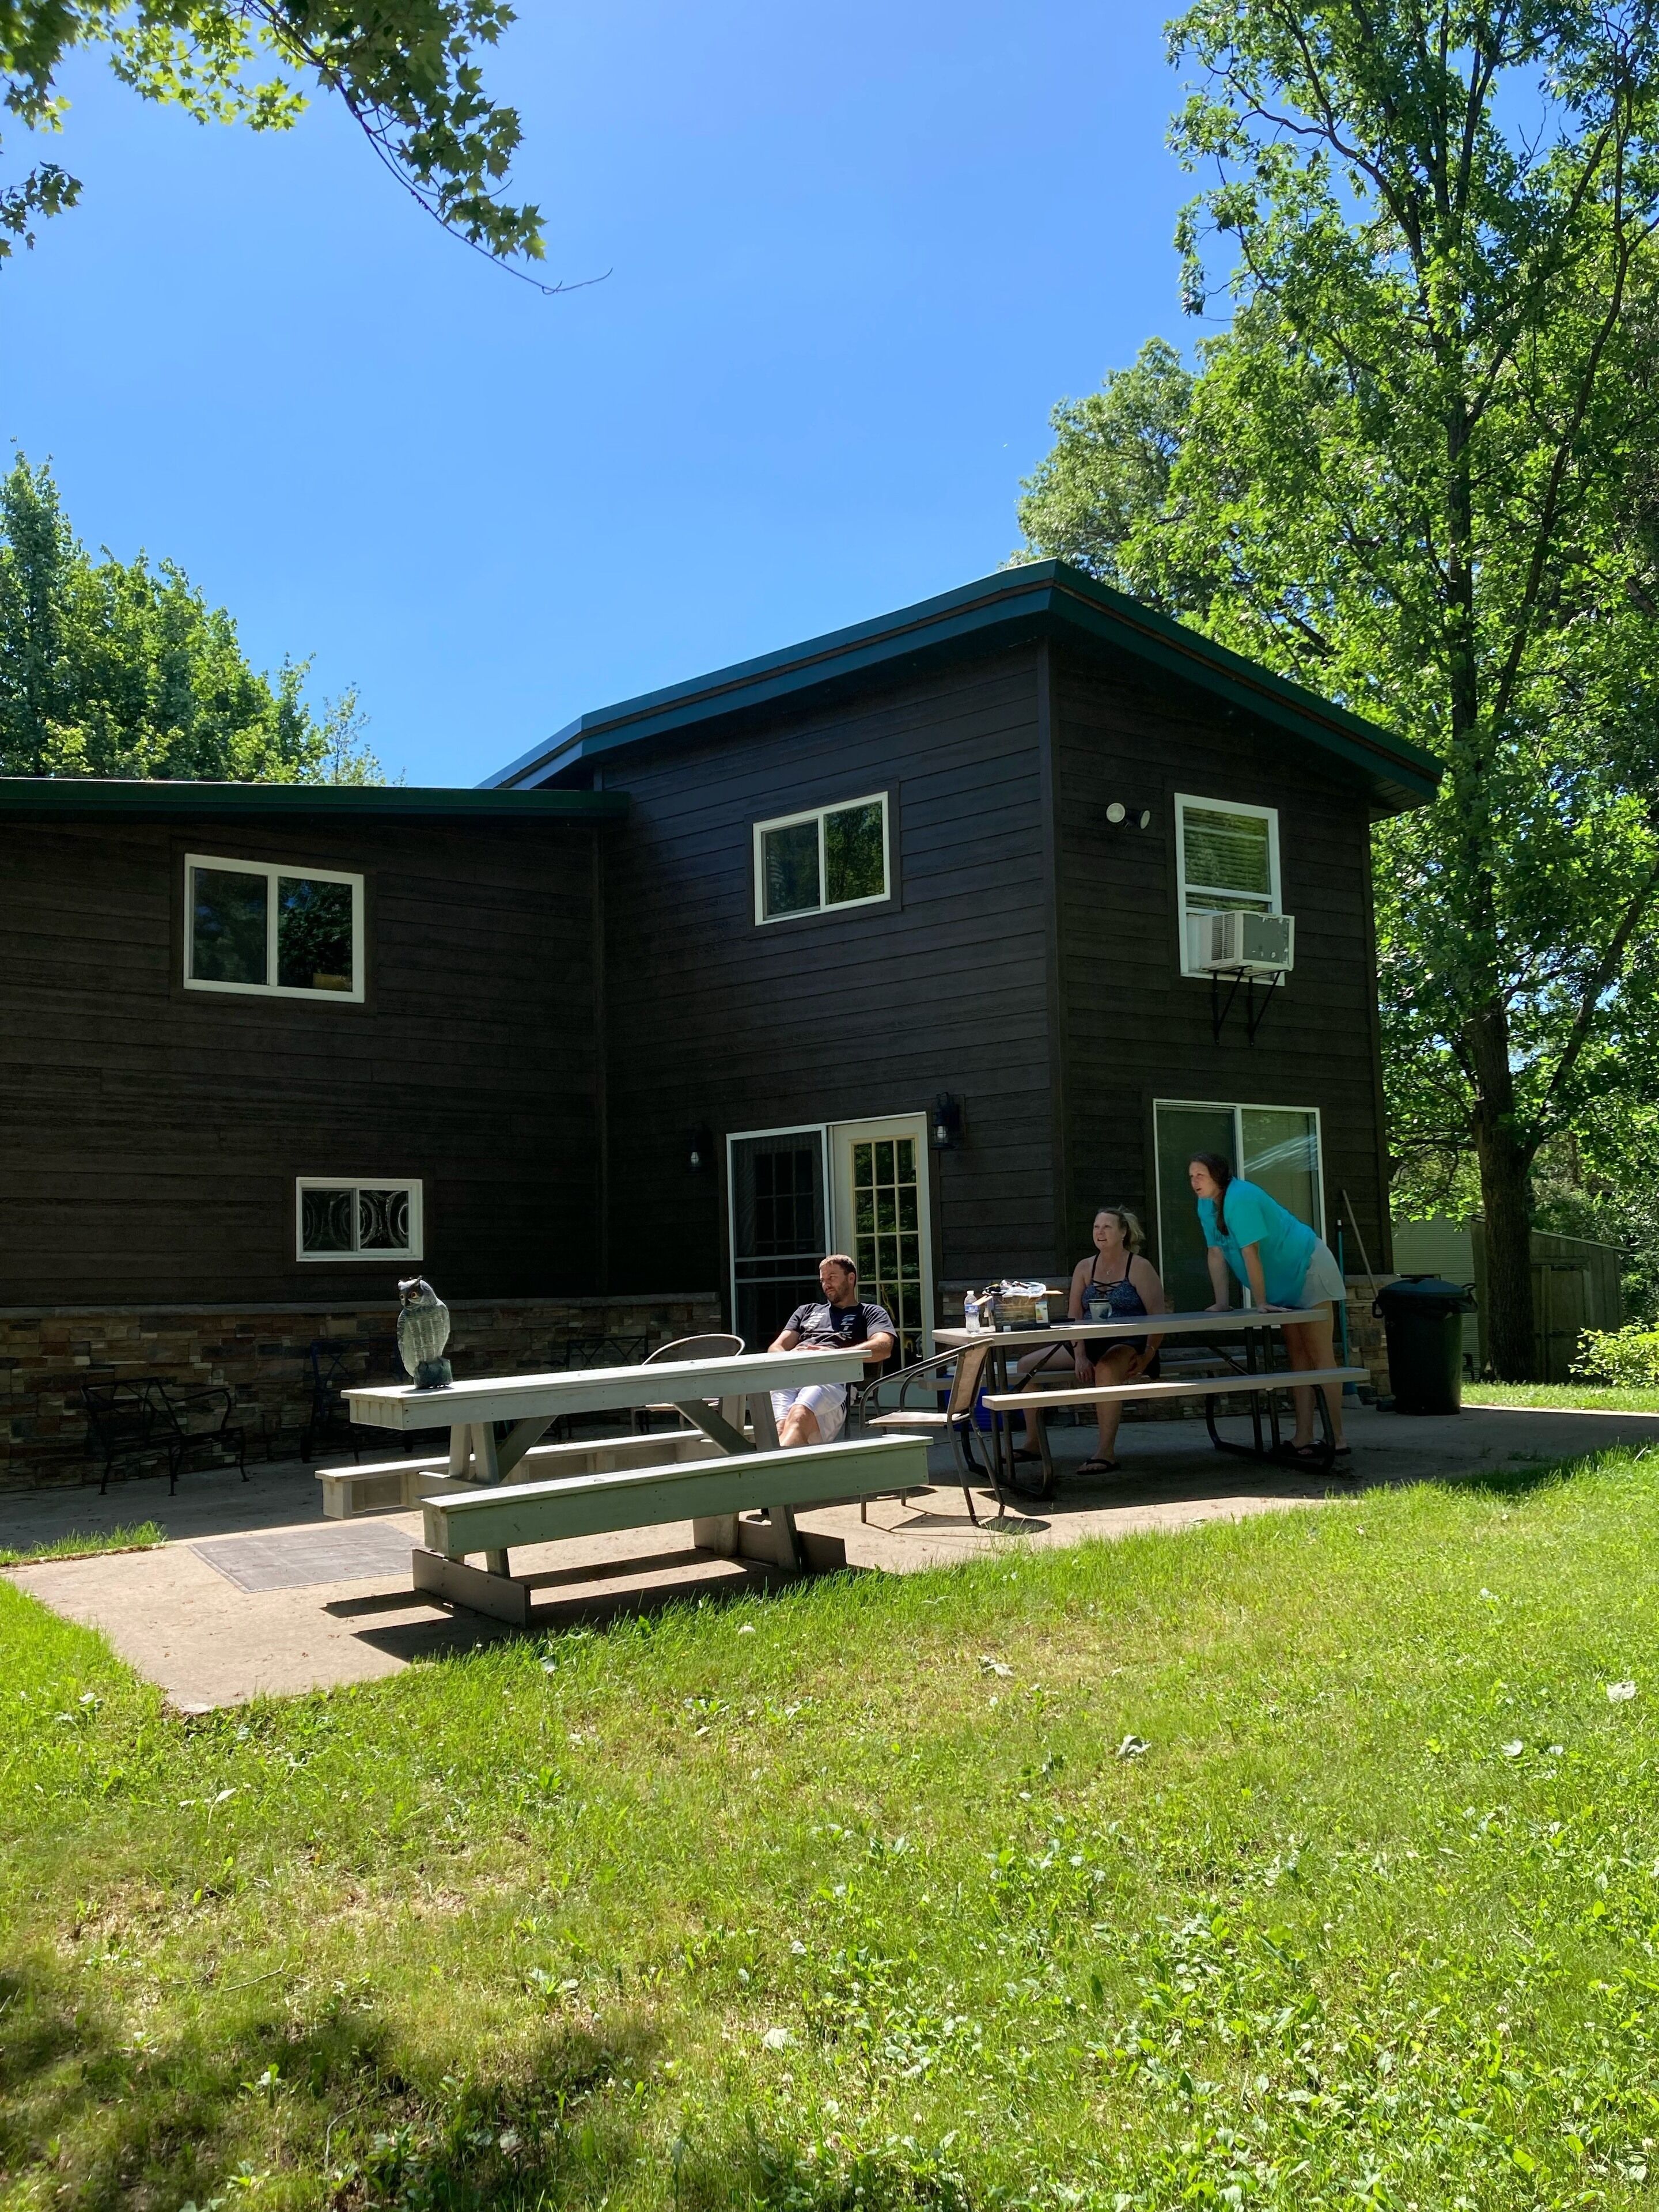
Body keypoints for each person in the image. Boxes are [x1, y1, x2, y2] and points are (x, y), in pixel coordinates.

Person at [1187, 1152, 1349, 1463]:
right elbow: (1216, 1253)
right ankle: (1303, 1436)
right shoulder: (1206, 1205)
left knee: (1320, 1355)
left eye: (1200, 1176)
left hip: (1309, 1268)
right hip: (1280, 1285)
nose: (1194, 1182)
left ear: (1218, 1176)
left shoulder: (1241, 1197)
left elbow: (1251, 1252)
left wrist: (1261, 1302)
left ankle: (1336, 1438)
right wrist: (1222, 1302)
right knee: (1297, 1358)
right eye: (1191, 1177)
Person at [1014, 1206, 1166, 1477]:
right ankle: (1033, 1442)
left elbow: (1158, 1316)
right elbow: (1074, 1315)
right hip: (1089, 1342)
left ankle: (1105, 1452)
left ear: (1123, 1233)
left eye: (1107, 1227)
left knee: (1106, 1369)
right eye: (1097, 1228)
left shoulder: (1140, 1267)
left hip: (1129, 1342)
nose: (1101, 1233)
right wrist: (1080, 1353)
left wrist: (1148, 1354)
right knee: (1027, 1366)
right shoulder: (1085, 1267)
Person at [768, 1253, 895, 1446]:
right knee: (776, 1429)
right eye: (823, 1280)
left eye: (832, 1278)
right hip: (791, 1375)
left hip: (832, 1379)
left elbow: (883, 1347)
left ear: (851, 1278)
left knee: (799, 1416)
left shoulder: (869, 1312)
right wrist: (789, 1357)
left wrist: (833, 1355)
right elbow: (775, 1347)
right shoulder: (806, 1311)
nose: (826, 1284)